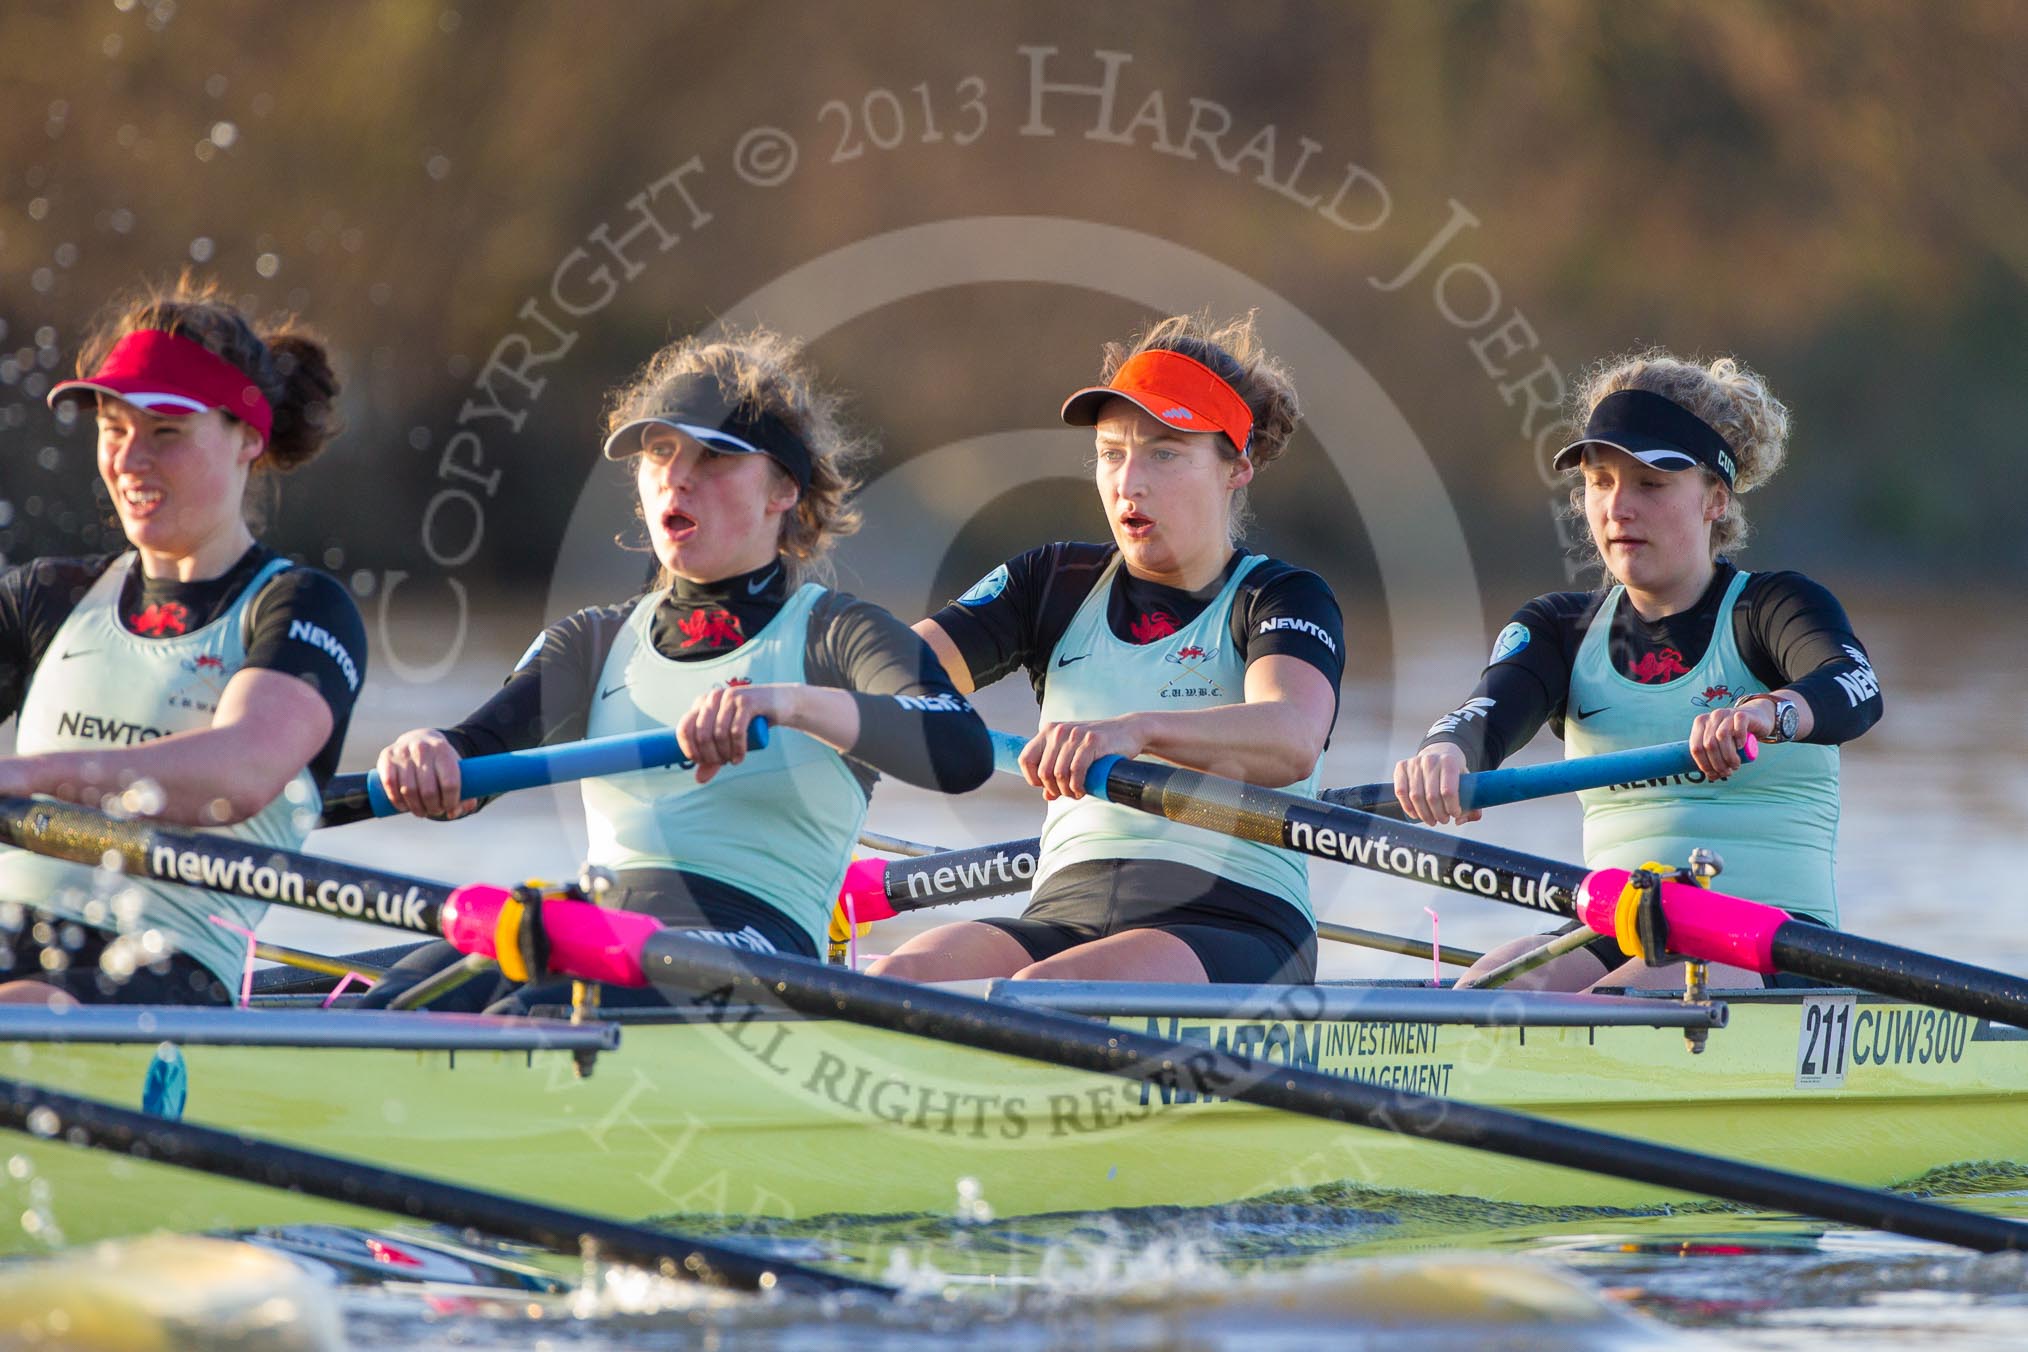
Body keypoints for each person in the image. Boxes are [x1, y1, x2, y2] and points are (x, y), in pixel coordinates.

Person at [360, 327, 992, 1010]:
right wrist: (430, 756)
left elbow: (960, 751)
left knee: (535, 1009)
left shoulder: (837, 634)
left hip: (759, 953)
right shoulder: (592, 642)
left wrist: (789, 705)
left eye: (714, 455)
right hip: (599, 930)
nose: (677, 474)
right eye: (661, 451)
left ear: (783, 489)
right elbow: (474, 758)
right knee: (396, 997)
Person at [869, 313, 1345, 986]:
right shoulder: (1051, 583)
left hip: (1235, 921)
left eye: (1165, 453)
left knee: (1043, 999)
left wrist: (1134, 730)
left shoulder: (1282, 597)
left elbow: (1292, 735)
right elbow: (895, 671)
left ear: (1236, 467)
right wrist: (791, 695)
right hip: (1064, 911)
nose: (1130, 482)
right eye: (1112, 453)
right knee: (895, 981)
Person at [1393, 350, 1882, 991]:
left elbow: (1856, 689)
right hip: (1618, 920)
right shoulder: (1558, 629)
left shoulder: (1775, 607)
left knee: (1621, 1001)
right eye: (1600, 481)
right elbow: (1489, 711)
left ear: (1714, 498)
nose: (1618, 508)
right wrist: (1446, 751)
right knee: (1487, 989)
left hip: (1775, 935)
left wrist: (1771, 711)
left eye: (1650, 484)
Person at [0, 279, 366, 1005]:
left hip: (166, 978)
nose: (132, 459)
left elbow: (242, 772)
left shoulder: (298, 609)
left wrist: (29, 775)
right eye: (114, 428)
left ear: (248, 438)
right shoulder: (46, 597)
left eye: (165, 432)